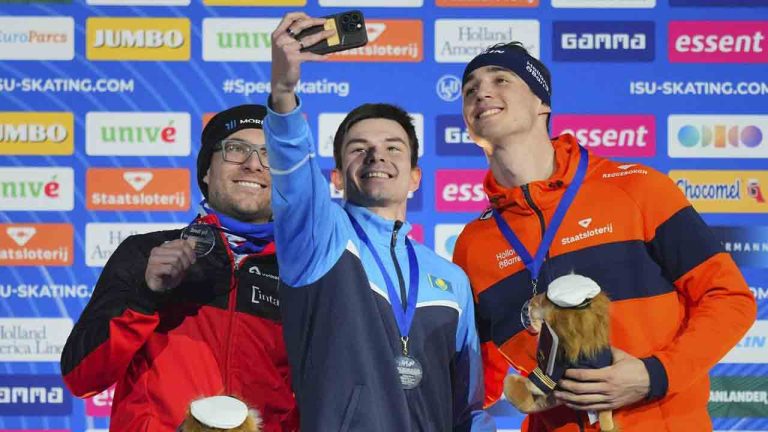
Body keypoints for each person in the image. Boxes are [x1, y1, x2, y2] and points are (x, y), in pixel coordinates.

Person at [452, 41, 757, 431]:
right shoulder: (474, 244)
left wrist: (654, 374)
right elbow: (477, 379)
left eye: (501, 79)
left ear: (541, 104)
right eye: (470, 89)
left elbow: (729, 299)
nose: (482, 92)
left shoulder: (637, 188)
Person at [262, 12, 496, 432]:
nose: (377, 157)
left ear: (415, 177)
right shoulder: (320, 241)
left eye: (393, 147)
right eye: (359, 148)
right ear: (335, 177)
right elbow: (294, 176)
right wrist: (283, 92)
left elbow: (469, 408)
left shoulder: (450, 280)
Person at [60, 105, 298, 432]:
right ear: (206, 172)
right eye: (236, 149)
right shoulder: (146, 253)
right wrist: (147, 296)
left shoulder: (304, 274)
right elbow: (81, 377)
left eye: (268, 154)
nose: (253, 164)